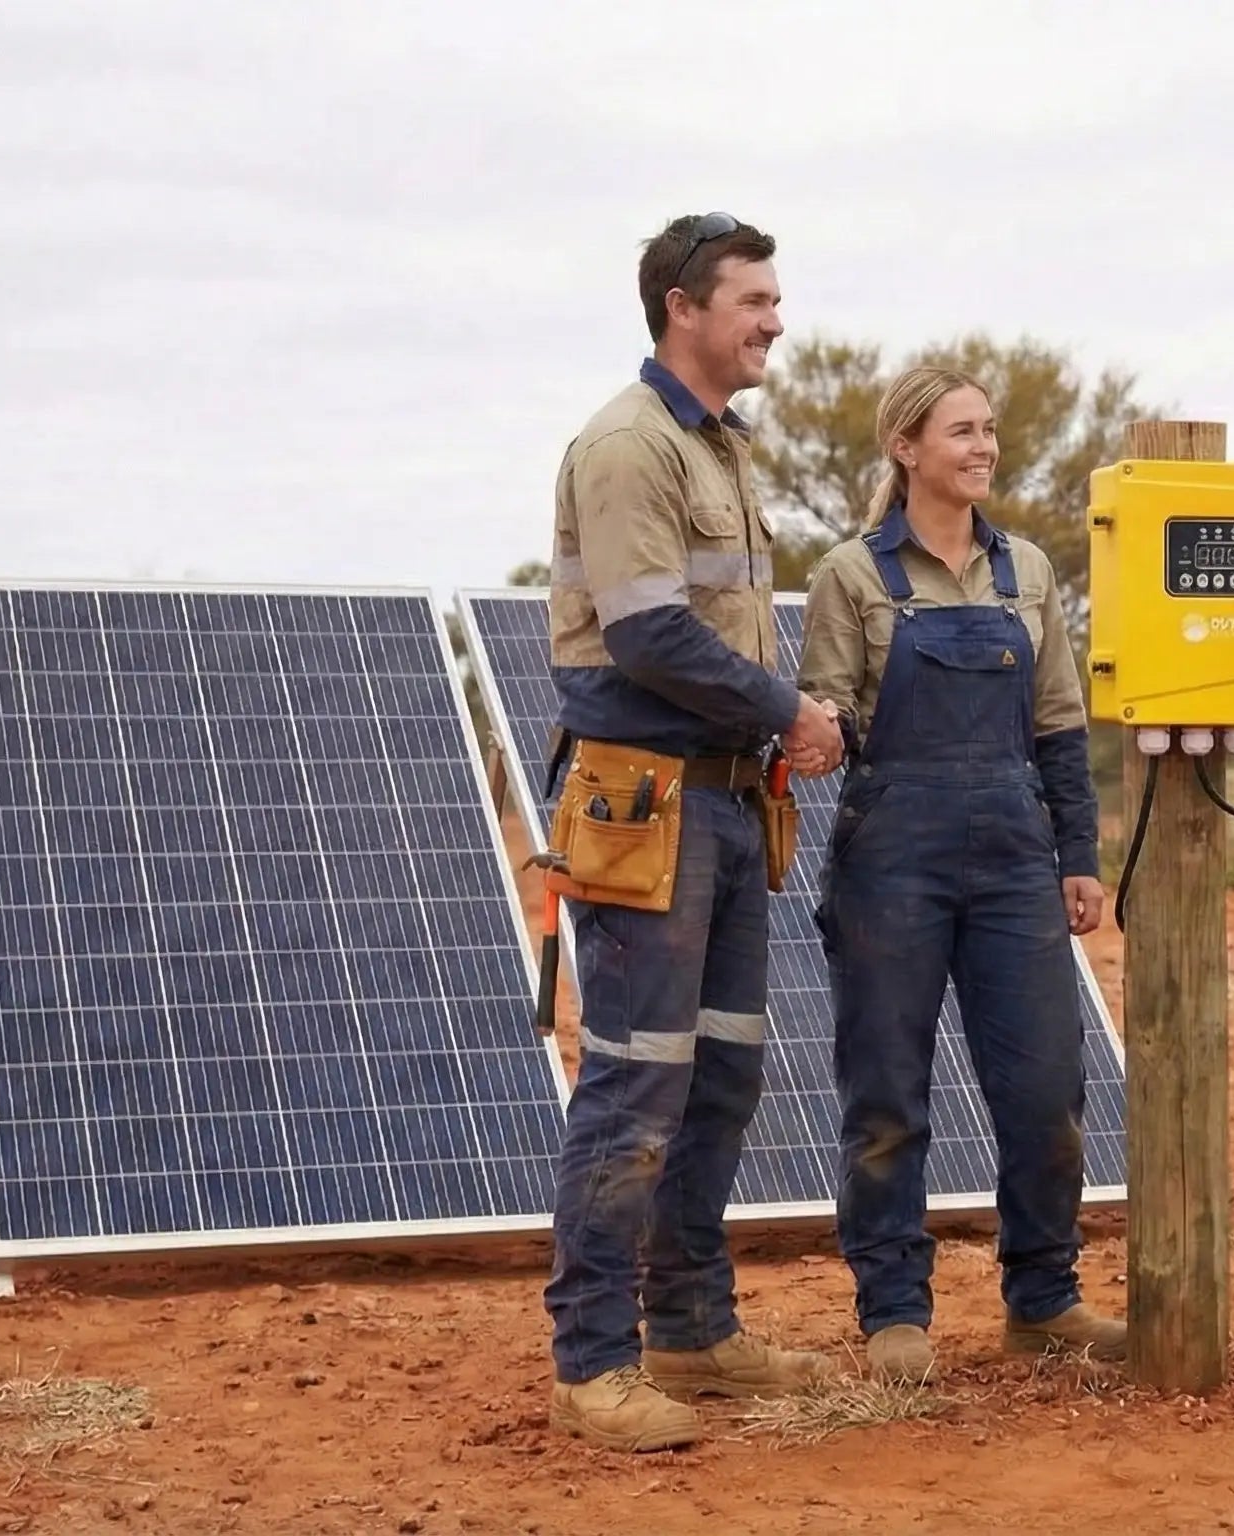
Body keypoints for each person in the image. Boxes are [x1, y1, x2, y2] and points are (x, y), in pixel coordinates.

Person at [538, 212, 847, 1452]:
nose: (776, 319)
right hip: (648, 801)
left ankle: (691, 1328)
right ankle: (594, 1363)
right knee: (636, 1085)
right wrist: (797, 711)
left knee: (721, 1072)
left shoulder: (720, 445)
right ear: (683, 306)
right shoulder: (629, 445)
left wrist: (774, 732)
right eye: (755, 299)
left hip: (723, 801)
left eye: (776, 299)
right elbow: (650, 635)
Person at [799, 366, 1120, 1384]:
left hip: (1016, 851)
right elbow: (828, 714)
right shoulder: (852, 575)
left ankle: (1045, 1300)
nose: (983, 447)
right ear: (907, 448)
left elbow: (1061, 724)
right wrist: (811, 733)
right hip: (892, 850)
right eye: (962, 432)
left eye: (989, 431)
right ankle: (894, 1310)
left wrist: (1078, 856)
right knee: (887, 1091)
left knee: (1046, 1090)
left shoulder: (1026, 570)